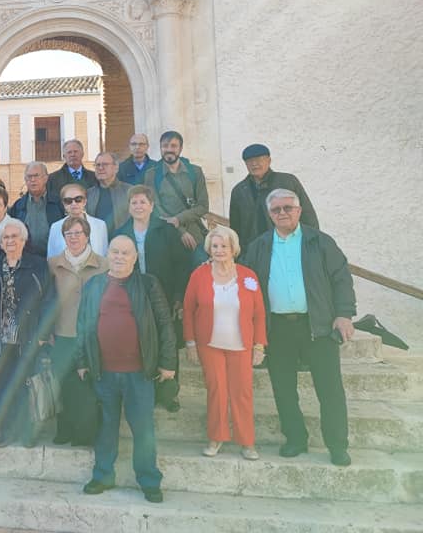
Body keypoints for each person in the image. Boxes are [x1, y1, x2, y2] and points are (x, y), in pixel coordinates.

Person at [242, 189, 357, 467]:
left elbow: (341, 277)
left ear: (299, 210)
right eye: (276, 210)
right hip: (277, 328)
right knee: (283, 388)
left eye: (287, 208)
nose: (282, 213)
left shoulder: (320, 242)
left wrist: (344, 314)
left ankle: (337, 445)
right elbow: (246, 284)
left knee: (329, 389)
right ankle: (295, 439)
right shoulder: (259, 246)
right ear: (270, 215)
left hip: (317, 326)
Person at [76, 236, 176, 503]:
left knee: (143, 428)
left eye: (125, 253)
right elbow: (83, 325)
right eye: (115, 252)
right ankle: (103, 475)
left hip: (139, 373)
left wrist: (168, 362)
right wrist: (82, 361)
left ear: (135, 257)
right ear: (108, 254)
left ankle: (149, 480)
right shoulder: (95, 284)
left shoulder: (147, 284)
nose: (120, 257)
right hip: (103, 372)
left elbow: (165, 323)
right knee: (105, 428)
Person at [183, 226, 266, 460]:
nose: (219, 250)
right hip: (210, 345)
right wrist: (190, 342)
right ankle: (216, 437)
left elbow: (259, 313)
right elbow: (188, 310)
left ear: (233, 249)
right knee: (216, 392)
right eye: (215, 246)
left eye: (224, 246)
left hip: (241, 345)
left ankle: (247, 442)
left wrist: (259, 345)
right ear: (209, 248)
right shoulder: (198, 275)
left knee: (242, 393)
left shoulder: (248, 276)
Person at [111, 185, 191, 412]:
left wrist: (178, 296)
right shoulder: (122, 232)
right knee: (140, 341)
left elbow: (181, 265)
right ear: (128, 207)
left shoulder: (165, 230)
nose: (138, 206)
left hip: (164, 293)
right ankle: (145, 390)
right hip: (132, 294)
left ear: (152, 205)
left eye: (142, 202)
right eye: (134, 202)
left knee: (167, 340)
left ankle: (169, 392)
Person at [0, 220, 50, 447]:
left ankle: (27, 431)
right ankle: (4, 431)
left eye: (14, 237)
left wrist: (42, 332)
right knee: (1, 387)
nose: (10, 241)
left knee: (24, 386)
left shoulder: (38, 265)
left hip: (26, 337)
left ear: (23, 240)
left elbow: (49, 299)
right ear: (0, 242)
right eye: (5, 238)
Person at [45, 216, 107, 445]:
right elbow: (47, 299)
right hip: (63, 332)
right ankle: (65, 428)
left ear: (87, 235)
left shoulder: (103, 264)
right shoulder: (53, 264)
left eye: (78, 233)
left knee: (88, 385)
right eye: (69, 234)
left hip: (93, 334)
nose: (73, 238)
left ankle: (88, 432)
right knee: (63, 382)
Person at [228, 144, 319, 250]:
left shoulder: (288, 181)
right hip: (254, 250)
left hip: (288, 244)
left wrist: (312, 243)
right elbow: (235, 227)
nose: (254, 164)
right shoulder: (239, 190)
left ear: (269, 160)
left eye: (258, 160)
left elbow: (307, 215)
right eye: (249, 161)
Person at [144, 130, 209, 266]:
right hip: (167, 236)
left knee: (201, 273)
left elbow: (203, 206)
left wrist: (178, 219)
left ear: (180, 148)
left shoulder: (195, 172)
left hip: (195, 235)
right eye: (165, 146)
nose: (169, 150)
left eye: (173, 146)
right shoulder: (152, 175)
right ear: (160, 148)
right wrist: (180, 231)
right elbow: (155, 208)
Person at [9, 161, 63, 256]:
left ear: (45, 178)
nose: (32, 180)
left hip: (53, 257)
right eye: (29, 177)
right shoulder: (18, 206)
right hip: (26, 260)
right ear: (25, 180)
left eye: (36, 176)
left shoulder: (58, 203)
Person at [46, 183, 108, 258]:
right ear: (64, 204)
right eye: (68, 201)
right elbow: (51, 258)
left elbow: (104, 255)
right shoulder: (55, 227)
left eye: (78, 199)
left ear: (85, 201)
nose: (73, 203)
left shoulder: (100, 225)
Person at [86, 151, 132, 233]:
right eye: (98, 165)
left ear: (116, 168)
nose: (100, 168)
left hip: (123, 240)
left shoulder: (129, 191)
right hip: (97, 241)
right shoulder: (88, 194)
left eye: (105, 164)